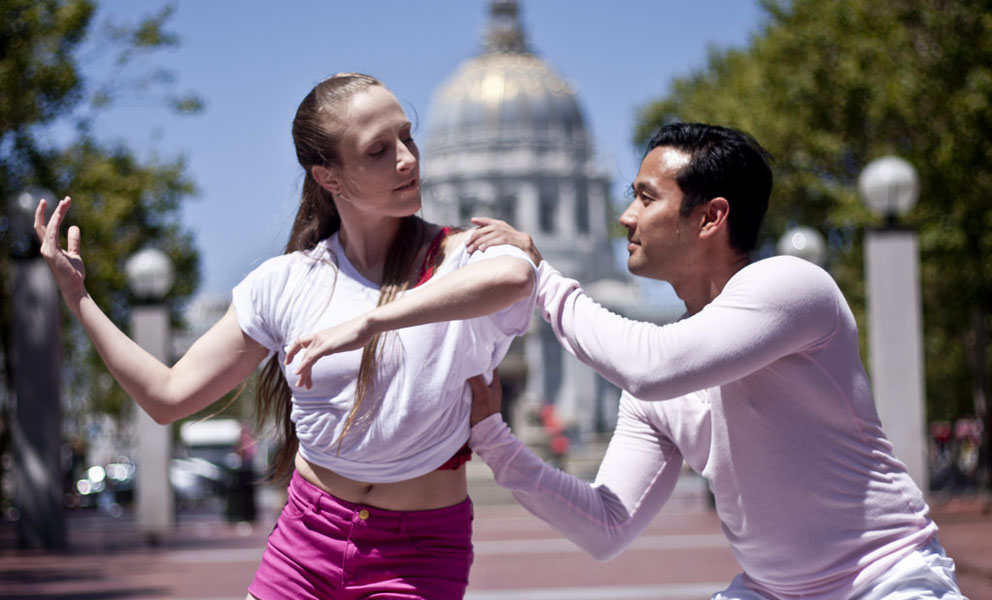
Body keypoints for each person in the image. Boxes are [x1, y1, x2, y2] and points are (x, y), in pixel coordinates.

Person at [34, 72, 537, 599]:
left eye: (407, 138)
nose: (407, 159)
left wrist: (371, 321)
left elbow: (515, 277)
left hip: (417, 553)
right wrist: (80, 301)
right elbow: (167, 397)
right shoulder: (285, 282)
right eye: (379, 150)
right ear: (329, 178)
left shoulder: (464, 255)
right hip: (305, 541)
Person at [462, 123, 966, 599]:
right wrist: (492, 438)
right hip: (768, 589)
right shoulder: (657, 383)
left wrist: (541, 278)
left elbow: (650, 365)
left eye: (646, 197)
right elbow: (605, 526)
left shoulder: (790, 285)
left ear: (711, 216)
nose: (626, 217)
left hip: (885, 578)